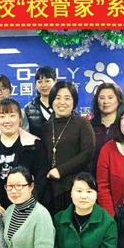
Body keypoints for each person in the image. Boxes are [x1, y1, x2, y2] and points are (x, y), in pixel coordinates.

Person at [0, 98, 48, 216]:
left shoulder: (34, 144)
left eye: (12, 116)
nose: (7, 121)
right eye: (2, 116)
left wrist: (26, 204)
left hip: (27, 209)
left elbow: (40, 178)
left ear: (20, 118)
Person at [42, 81, 95, 214]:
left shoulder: (82, 124)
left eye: (67, 98)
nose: (62, 102)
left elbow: (87, 153)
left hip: (74, 188)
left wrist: (60, 170)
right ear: (52, 101)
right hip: (49, 189)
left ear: (74, 102)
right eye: (58, 98)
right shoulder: (45, 127)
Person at [90, 82, 124, 174]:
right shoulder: (88, 126)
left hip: (119, 174)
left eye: (110, 97)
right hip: (92, 174)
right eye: (102, 98)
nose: (106, 102)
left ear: (118, 100)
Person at [24, 65, 56, 139]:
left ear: (55, 81)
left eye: (47, 81)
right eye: (39, 82)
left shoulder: (62, 105)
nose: (43, 85)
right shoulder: (28, 109)